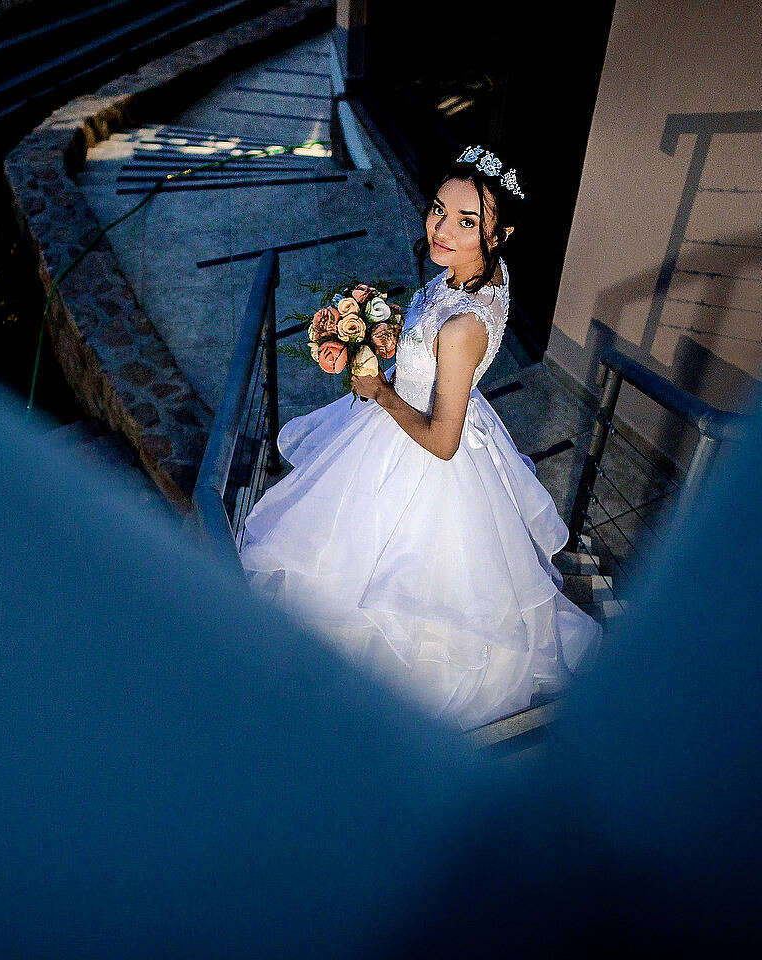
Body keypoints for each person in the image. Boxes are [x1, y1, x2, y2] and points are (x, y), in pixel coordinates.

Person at [239, 145, 601, 731]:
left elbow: (441, 442)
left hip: (423, 447)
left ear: (498, 234)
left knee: (391, 593)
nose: (442, 230)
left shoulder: (463, 327)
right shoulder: (475, 278)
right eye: (438, 210)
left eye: (466, 222)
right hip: (413, 414)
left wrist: (380, 389)